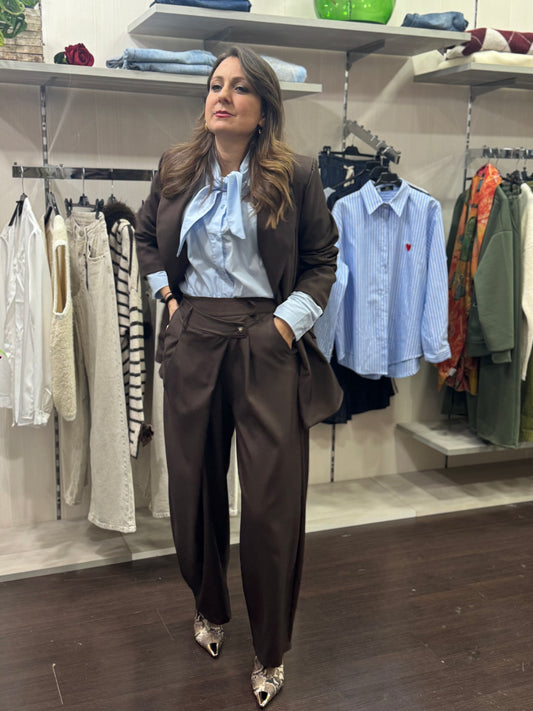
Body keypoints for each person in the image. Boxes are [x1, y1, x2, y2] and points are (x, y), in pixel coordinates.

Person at [135, 45, 342, 708]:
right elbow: (145, 238)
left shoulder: (295, 174)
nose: (222, 96)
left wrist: (283, 327)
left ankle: (271, 649)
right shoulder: (175, 167)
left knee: (271, 505)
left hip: (265, 342)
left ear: (263, 108)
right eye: (215, 84)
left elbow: (322, 262)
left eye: (240, 87)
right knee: (193, 488)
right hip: (194, 338)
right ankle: (209, 607)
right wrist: (170, 301)